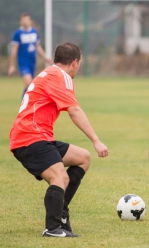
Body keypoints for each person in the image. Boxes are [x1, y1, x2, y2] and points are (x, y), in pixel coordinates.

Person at [10, 42, 109, 237]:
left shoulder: (50, 72)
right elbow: (74, 111)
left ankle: (61, 213)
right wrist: (96, 140)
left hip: (37, 137)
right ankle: (53, 228)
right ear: (75, 62)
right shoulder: (60, 76)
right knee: (60, 177)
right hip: (30, 138)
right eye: (79, 63)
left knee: (83, 157)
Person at [8, 13, 52, 97]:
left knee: (29, 86)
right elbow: (14, 51)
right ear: (20, 22)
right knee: (29, 83)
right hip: (23, 62)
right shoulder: (18, 34)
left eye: (27, 20)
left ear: (30, 21)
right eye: (23, 20)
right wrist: (12, 65)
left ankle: (25, 105)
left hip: (32, 62)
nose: (25, 22)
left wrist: (46, 58)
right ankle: (24, 106)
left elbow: (38, 47)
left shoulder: (34, 32)